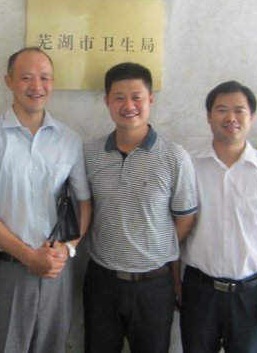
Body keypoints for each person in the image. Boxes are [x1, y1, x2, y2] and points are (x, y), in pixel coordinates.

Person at [0, 47, 92, 353]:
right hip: (3, 270)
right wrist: (28, 256)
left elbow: (84, 202)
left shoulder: (69, 139)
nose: (36, 86)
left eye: (44, 78)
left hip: (56, 270)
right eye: (26, 78)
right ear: (9, 81)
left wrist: (68, 249)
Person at [179, 80, 257, 353]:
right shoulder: (188, 166)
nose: (231, 118)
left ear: (252, 117)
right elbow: (175, 230)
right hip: (199, 291)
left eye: (239, 110)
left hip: (251, 295)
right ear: (208, 116)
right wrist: (175, 282)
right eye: (222, 110)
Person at [82, 62, 197, 353]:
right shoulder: (90, 153)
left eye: (137, 97)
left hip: (153, 285)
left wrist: (153, 246)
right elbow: (85, 207)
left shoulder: (175, 157)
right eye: (119, 97)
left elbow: (185, 218)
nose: (129, 105)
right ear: (107, 101)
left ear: (150, 99)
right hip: (101, 281)